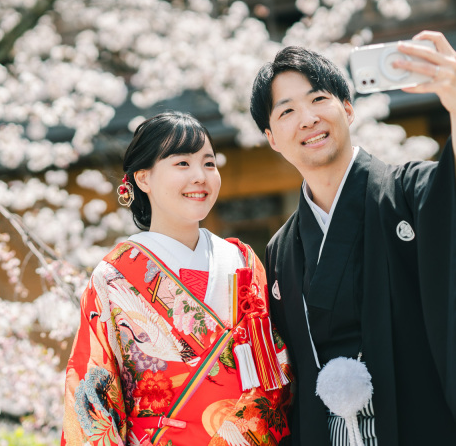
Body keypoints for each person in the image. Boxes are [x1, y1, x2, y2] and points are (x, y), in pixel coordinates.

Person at [249, 32, 456, 446]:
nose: (308, 119)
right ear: (272, 138)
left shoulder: (410, 192)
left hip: (425, 428)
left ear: (347, 109)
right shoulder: (281, 250)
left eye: (318, 100)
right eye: (287, 111)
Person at [62, 111, 292, 446]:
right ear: (143, 178)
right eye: (182, 163)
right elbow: (92, 397)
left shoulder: (242, 260)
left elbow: (279, 365)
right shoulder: (114, 277)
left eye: (209, 164)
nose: (200, 176)